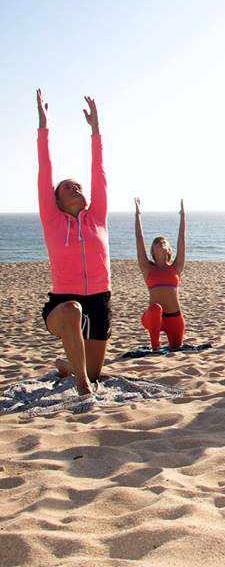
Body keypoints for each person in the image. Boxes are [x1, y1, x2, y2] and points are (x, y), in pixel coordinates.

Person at [35, 90, 111, 396]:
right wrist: (43, 126)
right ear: (57, 201)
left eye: (79, 186)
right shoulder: (52, 221)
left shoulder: (97, 216)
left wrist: (95, 130)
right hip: (63, 303)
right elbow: (44, 171)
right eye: (68, 188)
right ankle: (81, 386)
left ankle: (71, 369)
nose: (76, 187)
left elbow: (99, 172)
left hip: (100, 300)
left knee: (94, 371)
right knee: (72, 310)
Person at [135, 198, 187, 351]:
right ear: (153, 250)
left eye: (164, 242)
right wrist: (137, 214)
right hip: (153, 318)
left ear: (169, 250)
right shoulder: (148, 268)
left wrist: (183, 215)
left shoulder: (176, 267)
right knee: (156, 308)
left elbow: (182, 240)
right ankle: (155, 347)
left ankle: (168, 345)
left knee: (177, 347)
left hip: (174, 317)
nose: (161, 244)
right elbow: (139, 239)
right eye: (157, 243)